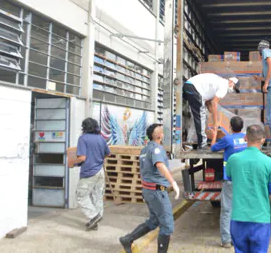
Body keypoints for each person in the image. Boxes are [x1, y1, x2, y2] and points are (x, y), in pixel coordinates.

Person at [119, 124, 180, 253]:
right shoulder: (157, 149)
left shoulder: (144, 150)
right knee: (167, 226)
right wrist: (173, 182)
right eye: (162, 132)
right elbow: (160, 165)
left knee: (154, 221)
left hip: (148, 191)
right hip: (157, 192)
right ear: (159, 136)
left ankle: (127, 239)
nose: (164, 134)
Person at [226, 124, 271, 251]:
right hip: (261, 220)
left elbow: (229, 178)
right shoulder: (269, 163)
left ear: (245, 138)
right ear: (263, 139)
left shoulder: (233, 160)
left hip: (238, 219)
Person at [210, 116, 248, 248]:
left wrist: (214, 135)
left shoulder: (227, 139)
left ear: (230, 127)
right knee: (243, 209)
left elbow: (213, 148)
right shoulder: (247, 139)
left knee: (227, 210)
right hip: (245, 180)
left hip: (231, 180)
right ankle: (241, 238)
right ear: (242, 127)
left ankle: (226, 240)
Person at [68, 118, 110, 231]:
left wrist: (71, 162)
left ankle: (94, 216)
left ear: (84, 127)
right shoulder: (101, 139)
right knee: (97, 196)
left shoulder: (83, 138)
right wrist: (98, 159)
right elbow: (107, 154)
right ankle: (95, 222)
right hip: (100, 171)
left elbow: (82, 157)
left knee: (81, 195)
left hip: (89, 172)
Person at [183, 73, 240, 151]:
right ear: (231, 82)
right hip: (193, 87)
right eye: (234, 87)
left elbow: (209, 103)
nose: (233, 90)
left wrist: (215, 117)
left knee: (200, 116)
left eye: (235, 89)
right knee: (201, 116)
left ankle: (198, 140)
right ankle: (202, 145)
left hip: (189, 86)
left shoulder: (219, 83)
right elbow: (214, 103)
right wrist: (215, 122)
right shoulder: (224, 86)